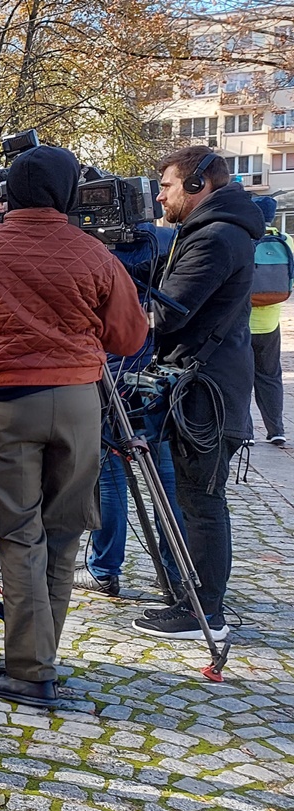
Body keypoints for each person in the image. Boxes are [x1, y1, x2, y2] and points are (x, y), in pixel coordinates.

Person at [0, 145, 147, 706]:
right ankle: (42, 657)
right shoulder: (94, 253)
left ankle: (31, 668)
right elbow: (129, 338)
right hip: (80, 401)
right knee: (62, 531)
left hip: (8, 400)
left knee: (16, 531)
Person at [133, 146, 263, 640]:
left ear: (197, 186)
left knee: (201, 501)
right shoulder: (212, 231)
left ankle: (204, 611)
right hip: (206, 385)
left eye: (167, 185)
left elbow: (168, 314)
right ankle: (195, 600)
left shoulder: (217, 238)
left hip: (207, 393)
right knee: (196, 498)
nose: (161, 195)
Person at [75, 222, 183, 599]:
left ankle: (104, 569)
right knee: (166, 476)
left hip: (114, 374)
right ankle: (175, 574)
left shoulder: (95, 248)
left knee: (109, 476)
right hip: (155, 375)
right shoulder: (167, 242)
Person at [249, 195, 289, 446]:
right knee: (270, 377)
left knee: (240, 378)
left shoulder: (245, 240)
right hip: (270, 324)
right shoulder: (287, 242)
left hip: (242, 322)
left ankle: (245, 432)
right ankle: (276, 429)